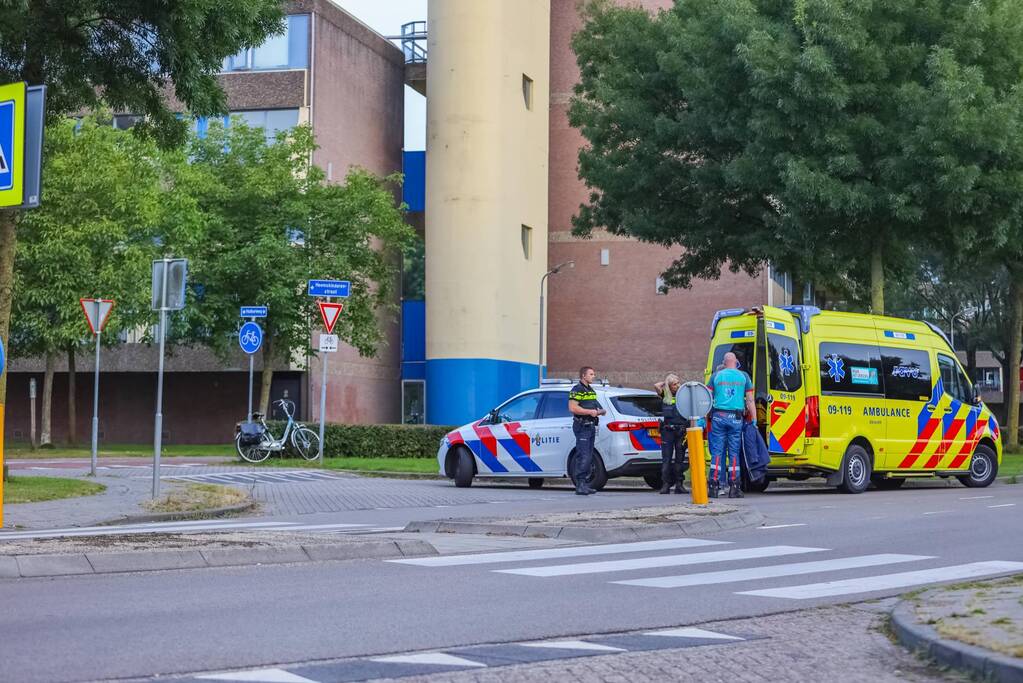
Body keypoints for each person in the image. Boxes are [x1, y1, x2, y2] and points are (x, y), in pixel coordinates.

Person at [706, 352, 755, 498]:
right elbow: (750, 400)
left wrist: (705, 416)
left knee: (717, 452)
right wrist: (754, 419)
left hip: (718, 417)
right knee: (734, 453)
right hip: (736, 418)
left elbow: (707, 398)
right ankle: (734, 487)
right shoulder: (744, 376)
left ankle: (714, 486)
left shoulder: (716, 376)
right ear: (736, 362)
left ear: (724, 362)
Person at [568, 366, 606, 495]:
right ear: (583, 376)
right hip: (582, 426)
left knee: (589, 456)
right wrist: (591, 412)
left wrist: (600, 411)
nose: (593, 376)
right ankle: (580, 485)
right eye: (591, 374)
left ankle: (584, 484)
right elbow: (573, 408)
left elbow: (597, 407)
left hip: (590, 426)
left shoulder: (590, 390)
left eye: (593, 374)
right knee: (583, 456)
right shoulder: (577, 389)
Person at [653, 373, 688, 495]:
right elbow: (656, 385)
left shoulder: (683, 395)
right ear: (669, 386)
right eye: (674, 384)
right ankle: (666, 484)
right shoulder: (664, 395)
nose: (678, 385)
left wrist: (676, 382)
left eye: (678, 383)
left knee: (680, 459)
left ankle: (679, 484)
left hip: (681, 430)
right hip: (667, 431)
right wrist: (666, 382)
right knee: (666, 459)